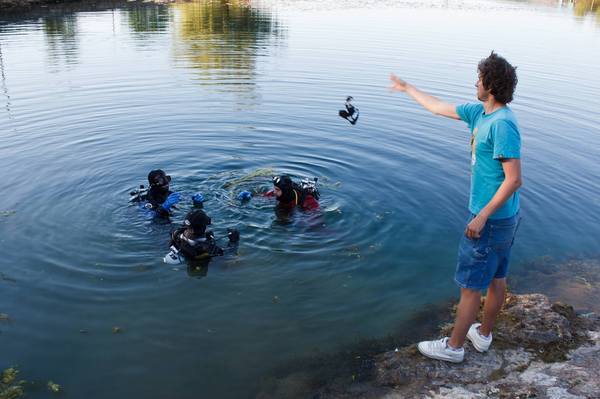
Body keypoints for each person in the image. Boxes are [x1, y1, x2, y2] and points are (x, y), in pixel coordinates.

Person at [390, 51, 522, 363]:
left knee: (469, 287)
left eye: (479, 78)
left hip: (490, 220)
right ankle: (484, 335)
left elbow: (514, 179)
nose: (474, 82)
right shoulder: (480, 114)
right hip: (503, 219)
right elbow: (437, 107)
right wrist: (408, 88)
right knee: (496, 279)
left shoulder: (502, 124)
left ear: (489, 85)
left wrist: (481, 217)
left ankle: (453, 347)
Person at [164, 209, 240, 265]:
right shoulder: (208, 248)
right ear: (203, 227)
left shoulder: (177, 234)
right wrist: (234, 241)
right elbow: (229, 255)